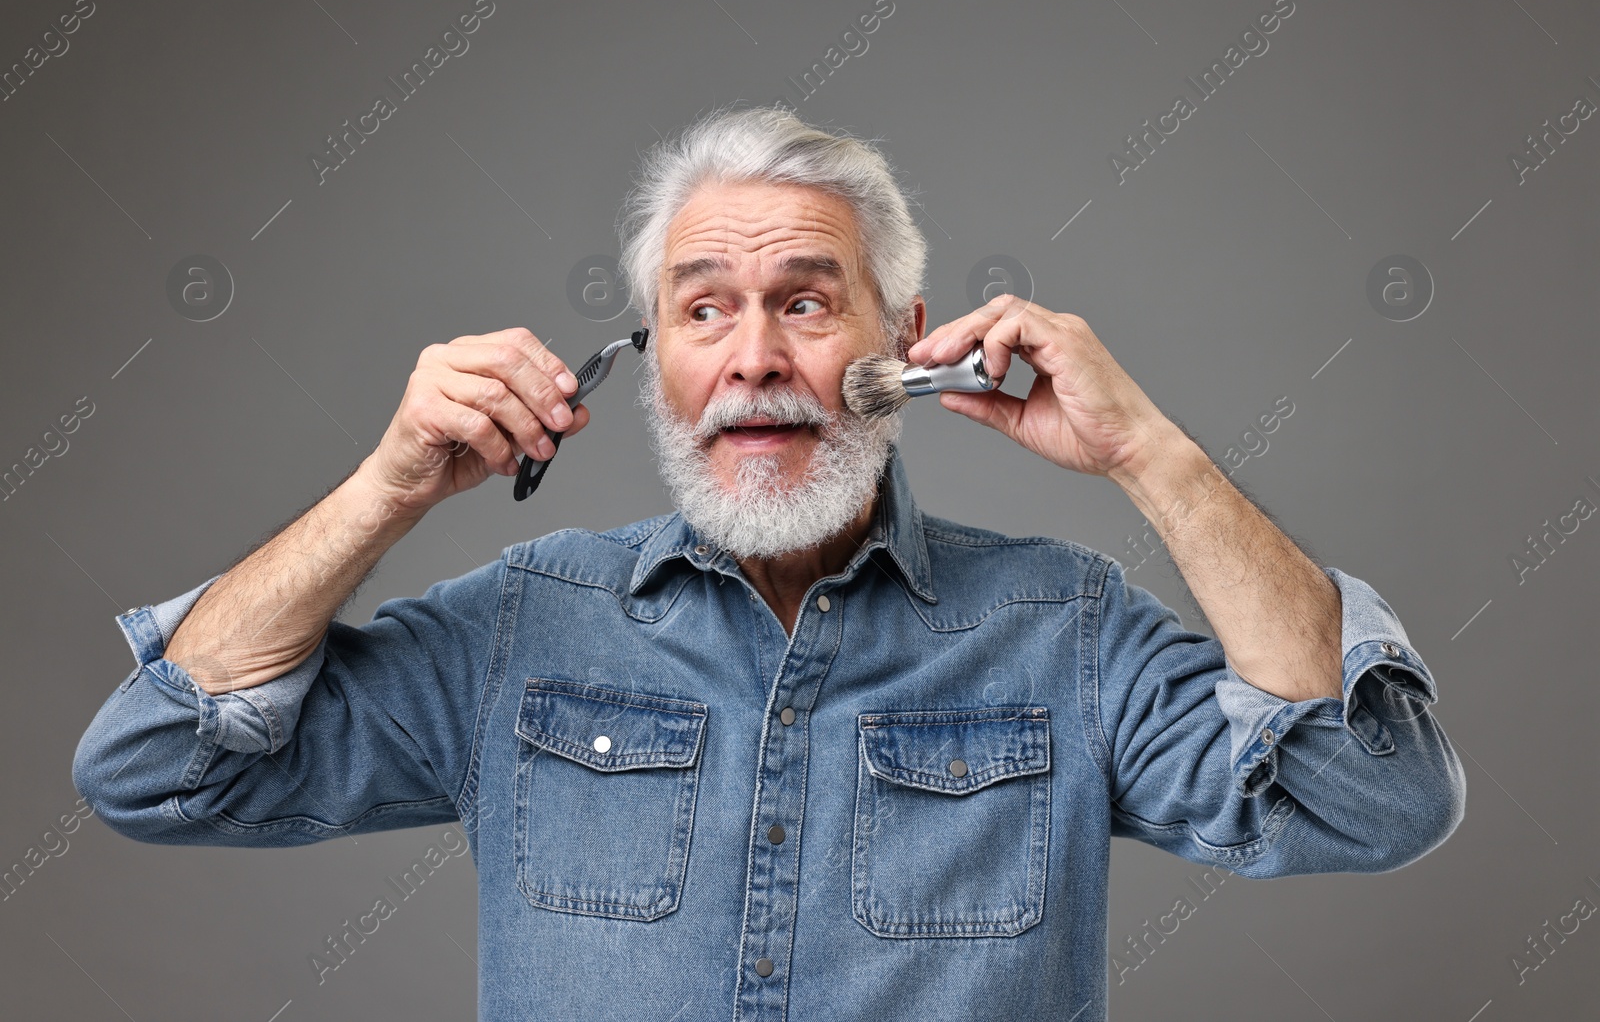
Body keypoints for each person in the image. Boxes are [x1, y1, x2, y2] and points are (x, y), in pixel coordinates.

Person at [73, 105, 1465, 1022]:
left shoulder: (1066, 629)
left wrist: (1147, 452)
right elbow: (152, 764)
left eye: (805, 301)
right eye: (703, 311)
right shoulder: (520, 629)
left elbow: (1372, 797)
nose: (753, 360)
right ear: (651, 358)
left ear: (906, 336)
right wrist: (385, 493)